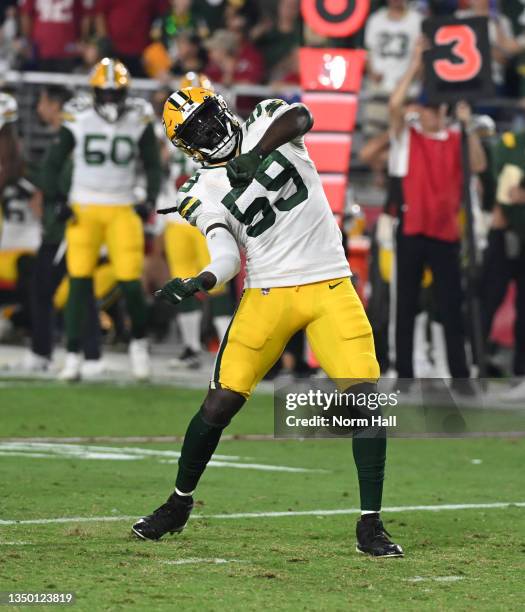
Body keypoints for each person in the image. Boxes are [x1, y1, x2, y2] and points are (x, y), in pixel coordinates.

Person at [132, 86, 404, 558]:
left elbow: (301, 116)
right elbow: (226, 255)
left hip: (330, 283)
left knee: (365, 399)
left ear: (222, 108)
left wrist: (254, 155)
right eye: (196, 130)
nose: (210, 130)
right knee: (219, 404)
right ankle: (178, 504)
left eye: (208, 118)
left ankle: (371, 524)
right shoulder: (199, 188)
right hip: (268, 291)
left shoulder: (265, 119)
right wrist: (200, 279)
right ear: (188, 146)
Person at [40, 58, 162, 381]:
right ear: (94, 92)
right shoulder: (78, 115)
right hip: (84, 208)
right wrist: (57, 200)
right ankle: (73, 354)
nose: (109, 99)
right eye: (104, 93)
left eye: (115, 93)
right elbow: (52, 162)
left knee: (130, 283)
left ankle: (138, 344)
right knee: (79, 282)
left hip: (122, 208)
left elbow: (152, 164)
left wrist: (148, 198)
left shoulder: (139, 116)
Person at [388, 39, 487, 381]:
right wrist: (416, 64)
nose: (428, 113)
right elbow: (394, 105)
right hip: (413, 228)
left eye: (434, 109)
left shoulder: (458, 138)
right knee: (406, 305)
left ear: (443, 111)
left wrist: (468, 124)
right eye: (427, 108)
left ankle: (459, 375)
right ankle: (404, 373)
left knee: (450, 306)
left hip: (445, 232)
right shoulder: (408, 137)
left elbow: (478, 163)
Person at [20, 85, 101, 374]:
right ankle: (90, 354)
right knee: (79, 287)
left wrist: (40, 187)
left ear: (56, 105)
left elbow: (64, 182)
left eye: (43, 101)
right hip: (66, 226)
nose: (40, 108)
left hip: (68, 227)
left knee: (48, 287)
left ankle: (47, 352)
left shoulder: (72, 142)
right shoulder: (65, 140)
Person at [363, 0, 422, 137]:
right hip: (379, 90)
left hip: (407, 92)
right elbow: (367, 52)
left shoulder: (417, 21)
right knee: (374, 138)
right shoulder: (375, 20)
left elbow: (422, 56)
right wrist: (372, 73)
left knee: (406, 139)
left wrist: (411, 78)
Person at [95, 0, 168, 76]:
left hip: (142, 54)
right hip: (113, 51)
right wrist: (103, 40)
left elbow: (164, 13)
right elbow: (100, 15)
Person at [19, 0, 93, 72]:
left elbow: (85, 15)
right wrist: (27, 41)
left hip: (68, 49)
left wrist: (83, 41)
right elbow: (26, 14)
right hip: (40, 49)